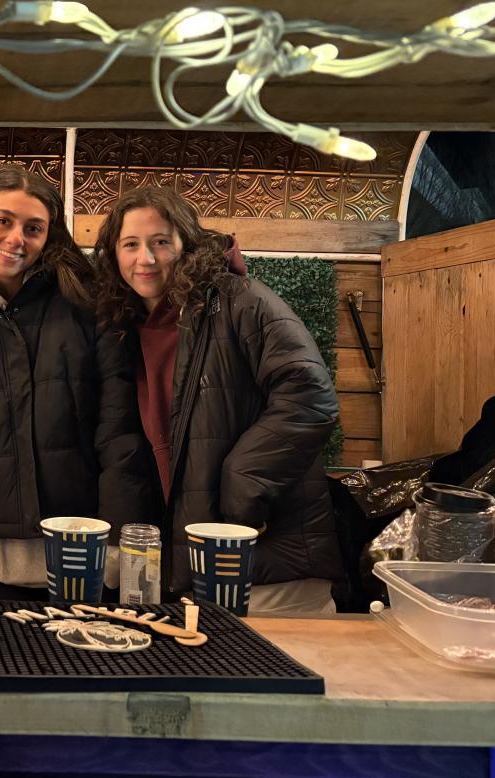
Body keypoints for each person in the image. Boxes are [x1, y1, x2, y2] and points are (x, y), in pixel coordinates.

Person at [92, 186, 343, 615]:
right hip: (198, 567)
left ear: (186, 244)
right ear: (114, 255)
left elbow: (310, 395)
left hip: (266, 562)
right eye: (130, 244)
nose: (145, 259)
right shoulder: (126, 327)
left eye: (160, 242)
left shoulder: (240, 300)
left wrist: (242, 489)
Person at [0, 165, 154, 600]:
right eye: (3, 221)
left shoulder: (87, 297)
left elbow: (119, 429)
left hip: (88, 547)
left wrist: (119, 539)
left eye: (33, 228)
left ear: (50, 236)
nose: (16, 238)